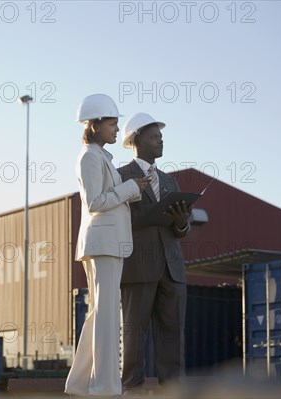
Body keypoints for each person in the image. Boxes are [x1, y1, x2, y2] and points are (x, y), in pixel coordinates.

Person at [65, 94, 149, 396]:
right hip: (104, 244)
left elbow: (105, 197)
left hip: (104, 243)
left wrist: (131, 189)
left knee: (98, 314)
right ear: (96, 125)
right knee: (108, 316)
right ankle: (105, 387)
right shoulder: (90, 156)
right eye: (112, 124)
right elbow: (95, 202)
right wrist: (128, 188)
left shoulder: (98, 156)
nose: (117, 129)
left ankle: (77, 385)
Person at [116, 112, 191, 394]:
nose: (160, 141)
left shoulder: (170, 182)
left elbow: (181, 230)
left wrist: (182, 220)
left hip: (172, 268)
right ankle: (132, 388)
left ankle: (172, 389)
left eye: (161, 136)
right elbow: (119, 219)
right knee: (134, 331)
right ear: (136, 140)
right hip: (138, 267)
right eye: (154, 136)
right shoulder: (120, 176)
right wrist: (152, 213)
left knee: (172, 332)